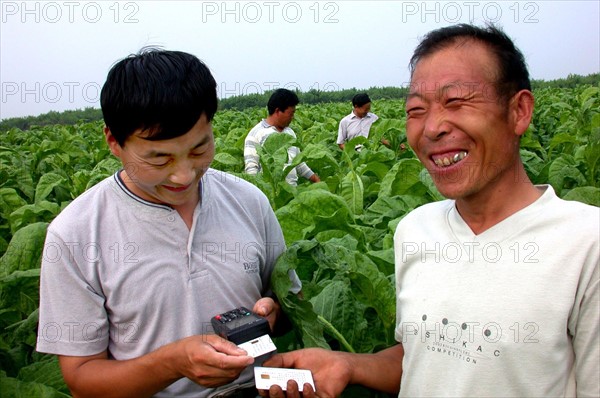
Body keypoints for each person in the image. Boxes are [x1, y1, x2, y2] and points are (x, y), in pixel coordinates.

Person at [259, 23, 600, 398]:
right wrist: (350, 364)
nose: (433, 127)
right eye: (417, 110)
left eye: (457, 102)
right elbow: (423, 360)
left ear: (519, 111)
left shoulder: (586, 244)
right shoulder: (414, 229)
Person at [36, 48, 301, 398]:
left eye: (198, 149)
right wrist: (171, 364)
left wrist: (273, 313)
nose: (183, 175)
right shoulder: (74, 234)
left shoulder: (249, 202)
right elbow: (82, 377)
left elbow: (285, 306)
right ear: (114, 142)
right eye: (159, 158)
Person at [244, 89, 320, 185]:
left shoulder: (290, 133)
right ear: (278, 111)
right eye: (291, 113)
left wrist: (316, 180)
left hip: (292, 194)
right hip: (270, 195)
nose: (293, 117)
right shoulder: (256, 134)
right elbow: (251, 169)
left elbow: (298, 164)